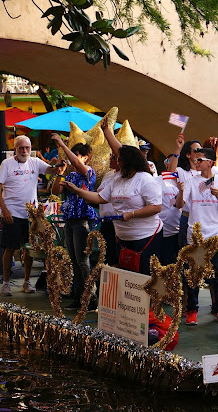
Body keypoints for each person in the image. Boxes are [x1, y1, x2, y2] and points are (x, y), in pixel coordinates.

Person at [64, 119, 163, 276]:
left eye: (119, 159)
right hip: (121, 238)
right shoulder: (116, 179)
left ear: (128, 163)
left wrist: (132, 214)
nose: (116, 161)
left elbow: (156, 207)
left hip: (145, 237)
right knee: (125, 276)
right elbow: (99, 198)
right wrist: (76, 190)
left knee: (143, 278)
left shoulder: (145, 179)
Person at [0, 135, 66, 296]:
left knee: (29, 248)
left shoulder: (35, 162)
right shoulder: (7, 164)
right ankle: (6, 283)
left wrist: (58, 163)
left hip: (31, 215)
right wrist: (4, 210)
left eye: (27, 148)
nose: (24, 151)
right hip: (12, 213)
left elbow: (52, 170)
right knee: (10, 248)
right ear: (15, 149)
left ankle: (27, 282)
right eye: (21, 148)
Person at [176, 147, 218, 325]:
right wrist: (180, 191)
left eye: (200, 160)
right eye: (196, 159)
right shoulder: (191, 181)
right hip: (195, 235)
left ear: (210, 162)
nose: (196, 162)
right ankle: (192, 310)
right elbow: (179, 205)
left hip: (216, 234)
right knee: (194, 273)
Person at [50, 133, 97, 307]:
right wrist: (59, 174)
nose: (73, 159)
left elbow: (78, 164)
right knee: (74, 259)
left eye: (77, 155)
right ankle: (79, 296)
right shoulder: (70, 176)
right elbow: (55, 192)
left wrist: (62, 145)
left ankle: (91, 297)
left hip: (82, 220)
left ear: (85, 157)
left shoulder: (89, 171)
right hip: (69, 220)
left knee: (83, 259)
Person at [97, 153, 120, 266]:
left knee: (115, 258)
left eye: (114, 157)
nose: (110, 159)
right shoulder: (108, 175)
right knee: (105, 258)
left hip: (116, 222)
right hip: (105, 222)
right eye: (110, 156)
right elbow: (99, 196)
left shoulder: (123, 176)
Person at [157, 157, 181, 265]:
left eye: (173, 162)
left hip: (177, 230)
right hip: (160, 230)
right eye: (167, 161)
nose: (169, 164)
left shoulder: (183, 180)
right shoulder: (157, 180)